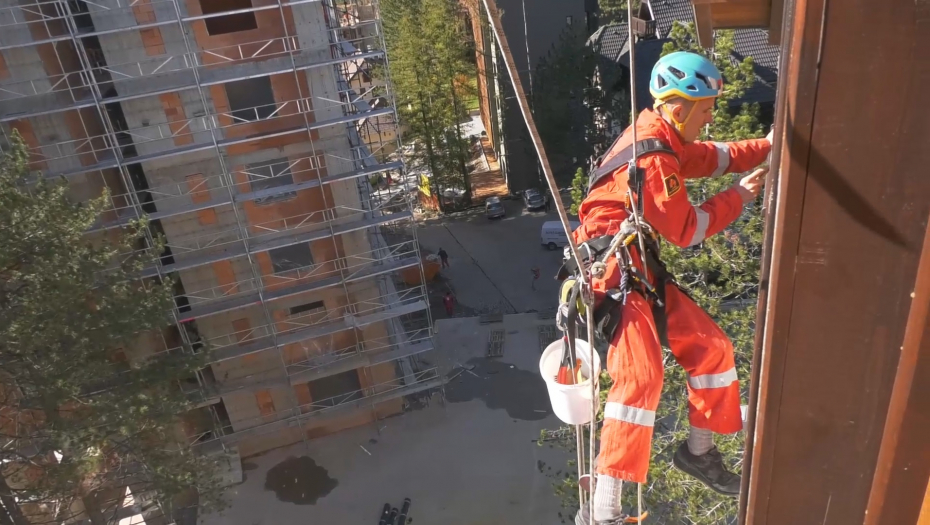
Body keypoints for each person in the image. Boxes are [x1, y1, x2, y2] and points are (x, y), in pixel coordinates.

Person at [573, 52, 772, 524]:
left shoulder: (665, 136)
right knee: (640, 378)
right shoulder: (654, 157)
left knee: (712, 348)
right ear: (679, 108)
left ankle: (698, 452)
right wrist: (740, 196)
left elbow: (716, 156)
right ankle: (604, 510)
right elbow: (687, 229)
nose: (709, 119)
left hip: (636, 266)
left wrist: (767, 145)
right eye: (705, 111)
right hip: (611, 272)